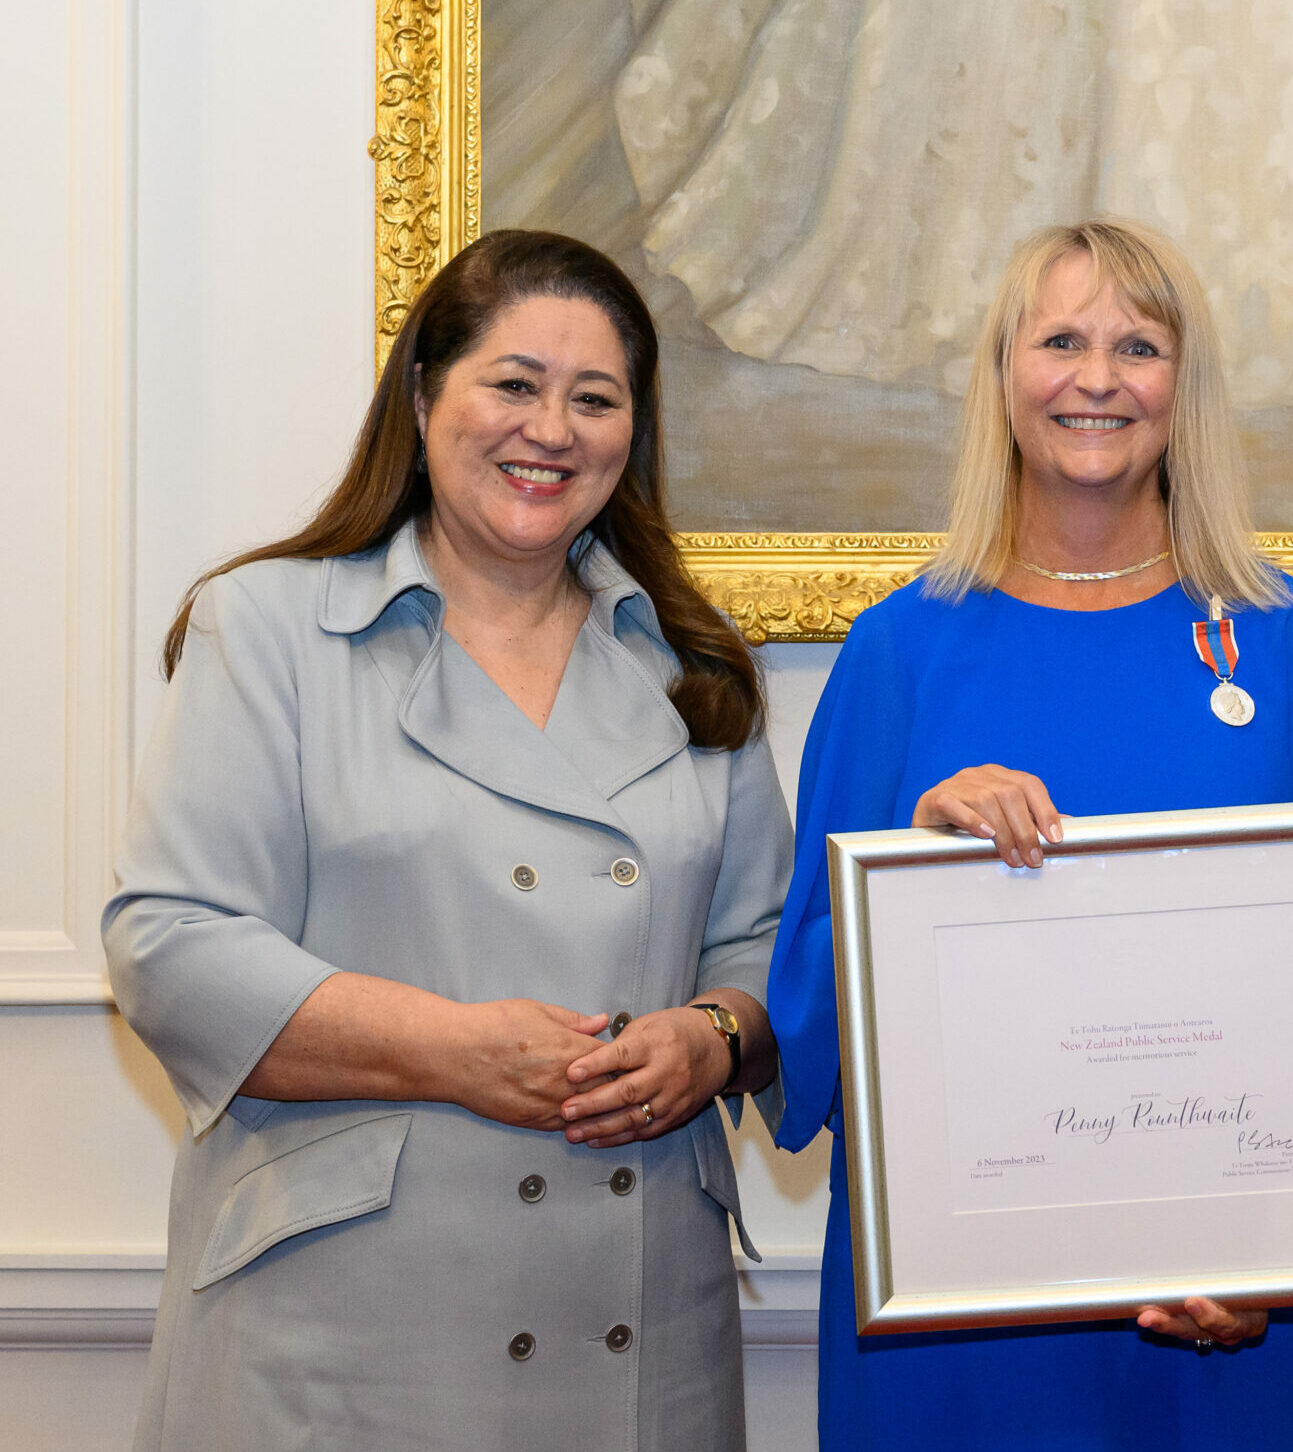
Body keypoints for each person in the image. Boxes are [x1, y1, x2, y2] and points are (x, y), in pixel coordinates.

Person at [104, 230, 791, 1450]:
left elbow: (764, 946)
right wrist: (455, 1051)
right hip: (343, 1337)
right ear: (424, 397)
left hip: (636, 1324)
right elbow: (171, 944)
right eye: (513, 384)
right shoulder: (267, 628)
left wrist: (714, 1038)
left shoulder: (689, 662)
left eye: (596, 398)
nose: (553, 428)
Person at [765, 218, 1293, 1449]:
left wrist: (1287, 1250)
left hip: (1226, 1304)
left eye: (1137, 345)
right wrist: (913, 873)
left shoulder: (1286, 636)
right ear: (1001, 376)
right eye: (1059, 340)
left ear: (1180, 389)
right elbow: (801, 1021)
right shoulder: (897, 650)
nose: (1096, 377)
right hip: (959, 1326)